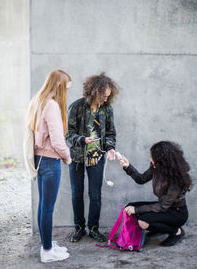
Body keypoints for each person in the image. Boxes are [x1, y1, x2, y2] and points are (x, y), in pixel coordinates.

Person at [67, 72, 119, 243]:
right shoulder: (76, 107)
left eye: (108, 96)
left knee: (95, 195)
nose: (106, 99)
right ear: (94, 92)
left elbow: (111, 132)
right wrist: (82, 140)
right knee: (76, 194)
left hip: (96, 157)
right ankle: (79, 228)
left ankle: (94, 228)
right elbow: (68, 134)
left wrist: (110, 148)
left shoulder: (107, 109)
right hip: (77, 158)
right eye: (104, 95)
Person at [27, 69, 72, 262]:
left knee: (43, 205)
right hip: (50, 161)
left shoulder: (38, 101)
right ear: (60, 86)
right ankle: (46, 251)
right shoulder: (52, 105)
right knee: (47, 208)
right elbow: (58, 141)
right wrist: (67, 157)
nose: (67, 92)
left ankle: (46, 243)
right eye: (67, 87)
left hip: (39, 159)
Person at [117, 141, 192, 247]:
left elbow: (162, 206)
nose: (150, 160)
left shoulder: (176, 181)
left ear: (162, 160)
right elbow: (141, 179)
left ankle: (176, 231)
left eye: (152, 157)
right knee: (129, 207)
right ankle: (158, 227)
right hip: (163, 207)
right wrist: (127, 166)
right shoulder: (156, 168)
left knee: (143, 221)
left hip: (177, 213)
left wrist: (137, 210)